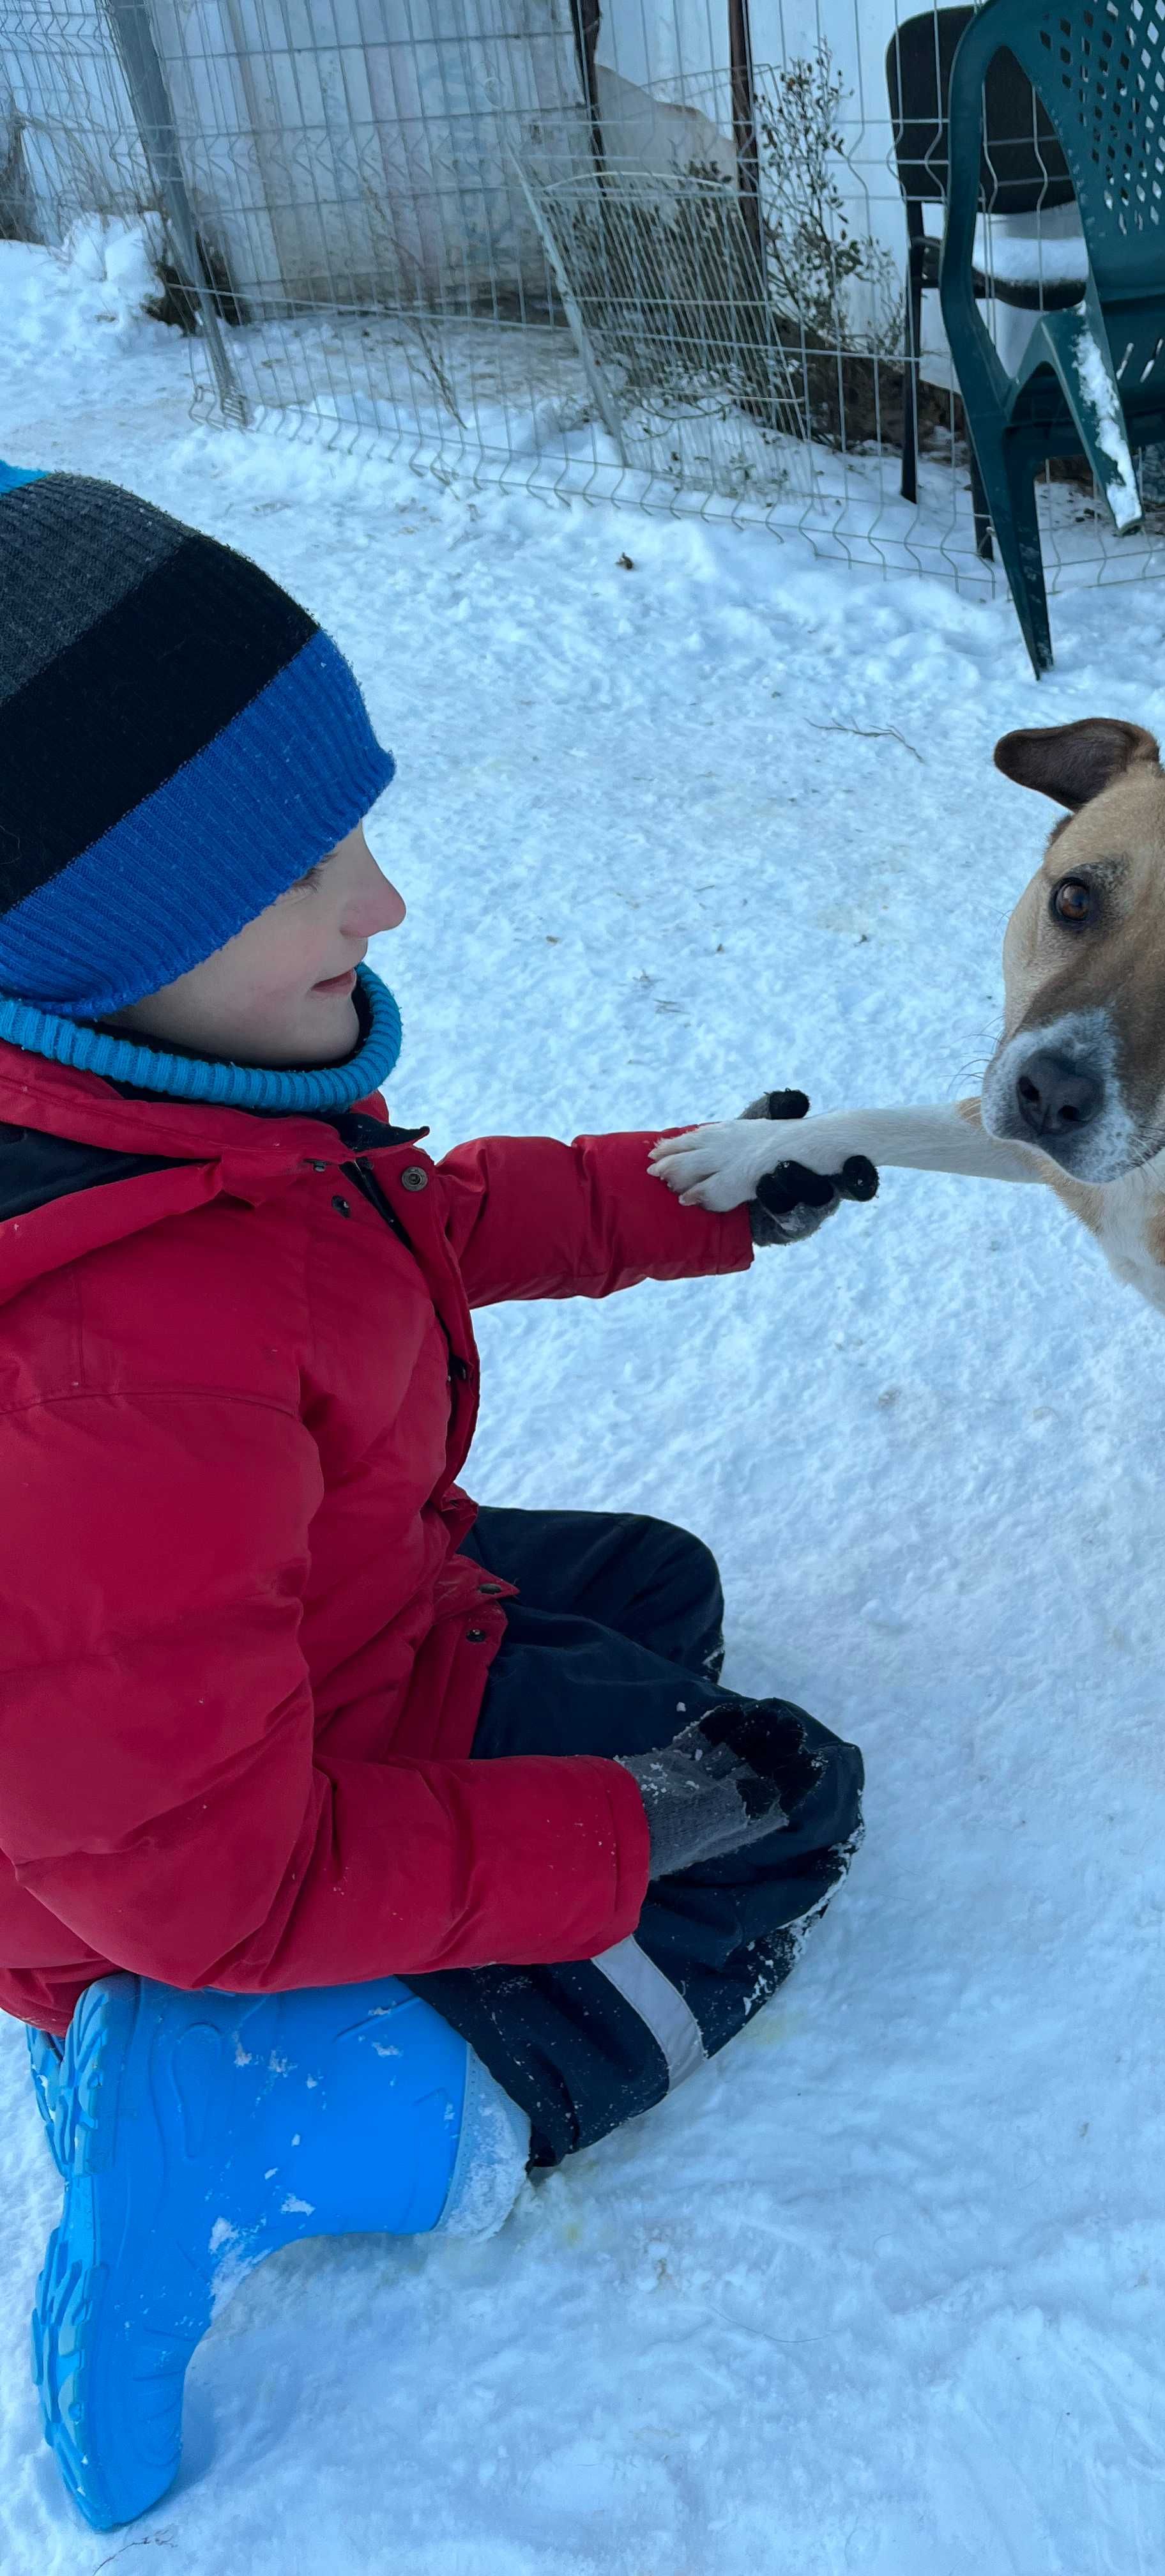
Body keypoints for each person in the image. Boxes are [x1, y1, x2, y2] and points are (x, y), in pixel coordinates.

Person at [0, 461, 871, 2534]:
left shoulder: (161, 1096)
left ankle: (273, 2012)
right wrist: (603, 1839)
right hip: (166, 1869)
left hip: (297, 1626)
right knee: (777, 1813)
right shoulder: (96, 1380)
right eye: (297, 870)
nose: (379, 902)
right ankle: (269, 2112)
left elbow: (383, 1230)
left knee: (660, 1594)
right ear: (84, 923)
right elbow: (205, 1878)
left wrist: (686, 1197)